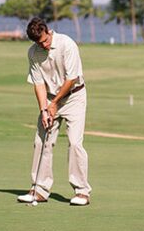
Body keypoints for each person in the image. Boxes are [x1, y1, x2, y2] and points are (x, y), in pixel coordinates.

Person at [17, 18, 92, 206]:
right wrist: (44, 109)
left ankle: (82, 192)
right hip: (50, 99)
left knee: (75, 143)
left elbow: (71, 79)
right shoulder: (33, 53)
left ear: (48, 31)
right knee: (41, 141)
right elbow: (39, 83)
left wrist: (55, 103)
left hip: (74, 97)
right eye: (38, 43)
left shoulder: (67, 44)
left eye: (44, 40)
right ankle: (39, 189)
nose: (43, 45)